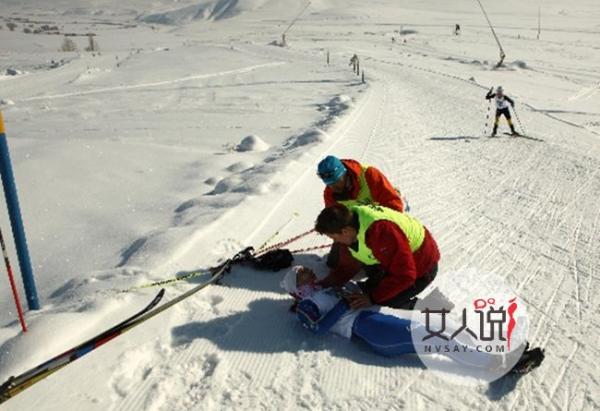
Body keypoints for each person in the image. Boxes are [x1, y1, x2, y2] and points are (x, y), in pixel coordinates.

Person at [280, 265, 545, 374]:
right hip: (368, 329)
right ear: (296, 286)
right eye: (303, 275)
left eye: (307, 271)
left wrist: (353, 293)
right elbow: (317, 329)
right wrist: (342, 304)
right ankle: (500, 364)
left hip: (376, 318)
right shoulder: (307, 304)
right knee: (437, 337)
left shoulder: (327, 289)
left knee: (445, 326)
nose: (310, 274)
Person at [315, 204, 440, 310]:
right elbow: (347, 267)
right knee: (369, 289)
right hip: (393, 258)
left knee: (385, 303)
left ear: (345, 231)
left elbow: (405, 275)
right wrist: (321, 286)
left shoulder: (381, 232)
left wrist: (372, 298)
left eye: (334, 238)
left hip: (422, 264)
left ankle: (427, 308)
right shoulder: (350, 225)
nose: (335, 242)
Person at [316, 155, 406, 287]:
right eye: (330, 184)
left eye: (337, 181)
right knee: (334, 263)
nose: (334, 187)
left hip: (379, 223)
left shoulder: (369, 176)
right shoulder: (330, 193)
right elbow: (333, 220)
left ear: (345, 174)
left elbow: (394, 206)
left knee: (376, 269)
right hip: (354, 228)